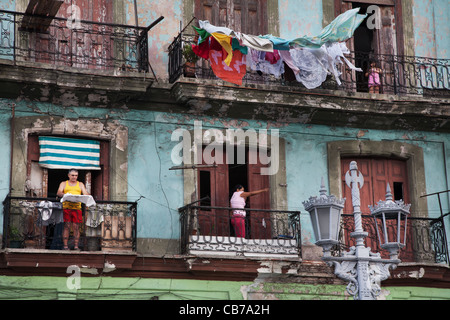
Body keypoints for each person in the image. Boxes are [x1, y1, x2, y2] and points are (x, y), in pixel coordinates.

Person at [57, 169, 89, 250]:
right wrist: (67, 195)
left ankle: (76, 246)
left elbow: (85, 193)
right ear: (68, 175)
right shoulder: (64, 183)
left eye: (76, 175)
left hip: (77, 208)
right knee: (66, 226)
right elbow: (59, 193)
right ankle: (65, 246)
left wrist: (88, 195)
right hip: (66, 208)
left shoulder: (80, 184)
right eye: (72, 175)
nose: (74, 177)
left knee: (76, 227)